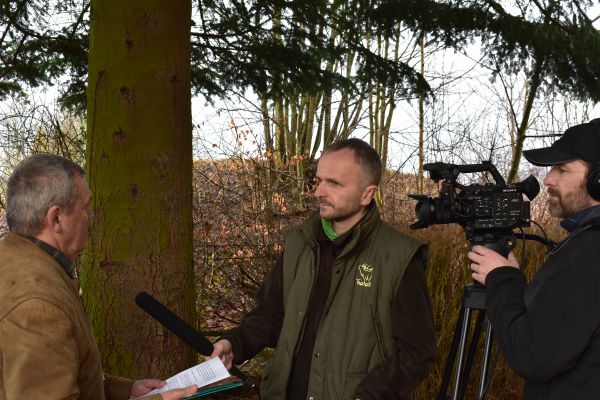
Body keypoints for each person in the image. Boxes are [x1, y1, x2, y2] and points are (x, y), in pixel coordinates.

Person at [211, 139, 436, 400]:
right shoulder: (299, 242)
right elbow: (270, 315)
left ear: (367, 194)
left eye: (334, 183)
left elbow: (417, 353)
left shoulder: (400, 256)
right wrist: (233, 344)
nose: (319, 192)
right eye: (319, 181)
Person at [0, 153, 198, 400]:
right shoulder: (37, 302)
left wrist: (124, 391)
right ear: (56, 218)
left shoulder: (25, 264)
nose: (91, 215)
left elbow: (63, 376)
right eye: (84, 207)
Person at [468, 119, 600, 399]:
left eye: (563, 169)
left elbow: (534, 355)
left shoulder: (589, 251)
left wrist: (500, 280)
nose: (549, 178)